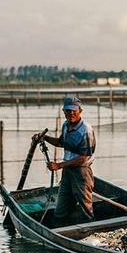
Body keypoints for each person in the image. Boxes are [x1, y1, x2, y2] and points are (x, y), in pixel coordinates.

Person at [33, 96, 96, 226]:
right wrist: (44, 137)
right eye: (68, 110)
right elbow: (61, 143)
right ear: (64, 112)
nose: (71, 113)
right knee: (61, 208)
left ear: (80, 111)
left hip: (82, 172)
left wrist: (59, 165)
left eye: (74, 110)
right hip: (68, 171)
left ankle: (90, 231)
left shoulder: (86, 130)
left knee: (86, 208)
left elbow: (83, 157)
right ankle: (59, 229)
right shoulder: (66, 126)